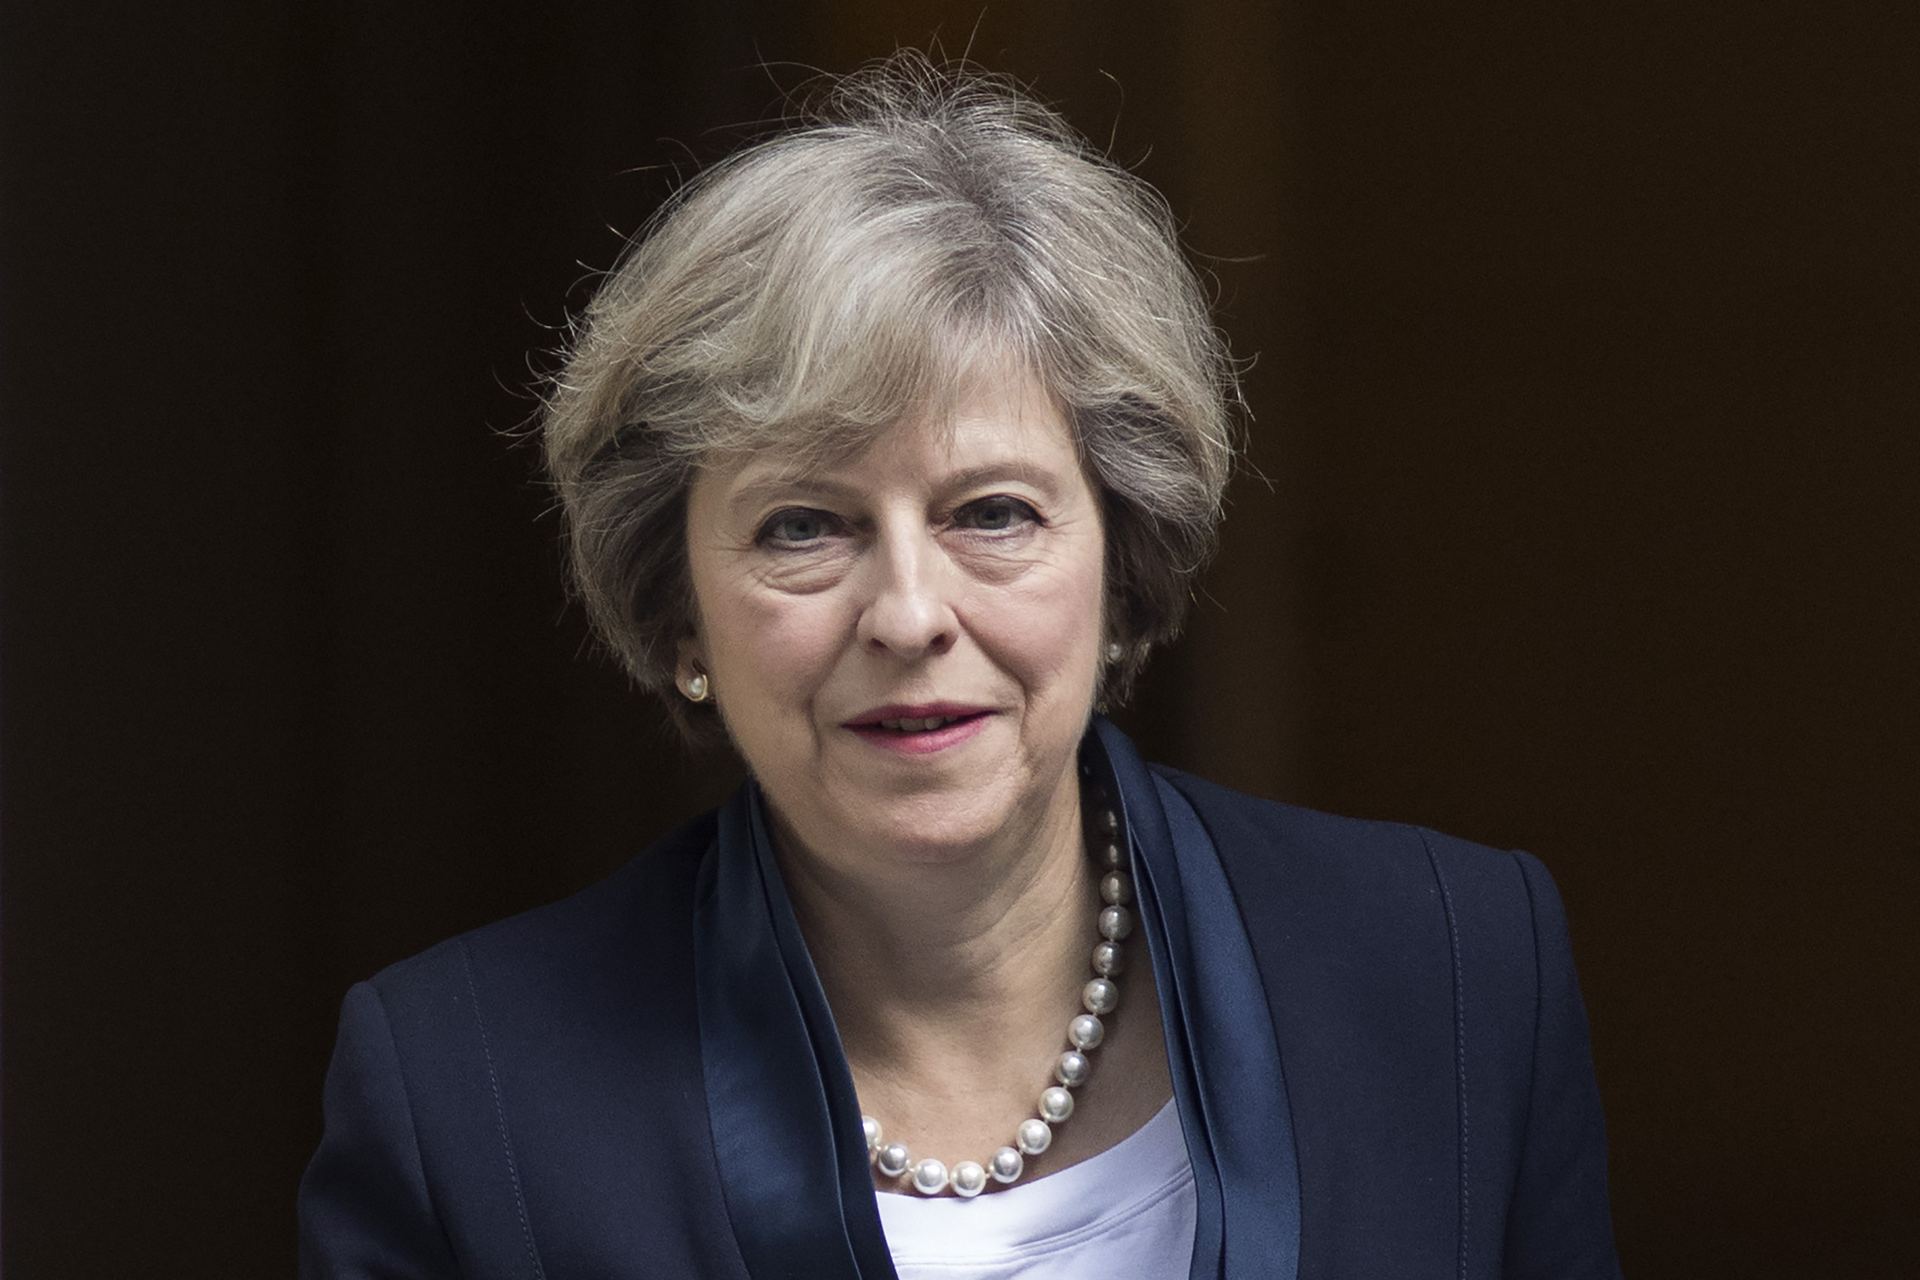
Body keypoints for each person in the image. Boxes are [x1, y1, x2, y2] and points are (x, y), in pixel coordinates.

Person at [297, 51, 1622, 1279]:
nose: (909, 614)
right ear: (680, 614)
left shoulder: (1453, 971)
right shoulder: (462, 1098)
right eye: (803, 527)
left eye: (992, 512)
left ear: (1121, 561)